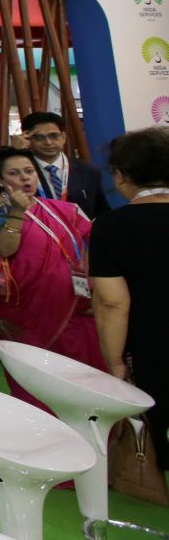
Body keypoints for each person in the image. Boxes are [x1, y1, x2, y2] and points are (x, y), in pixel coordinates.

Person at [0, 145, 106, 411]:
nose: (25, 178)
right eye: (14, 173)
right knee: (34, 375)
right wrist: (18, 212)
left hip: (73, 306)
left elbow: (91, 243)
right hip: (25, 312)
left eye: (29, 171)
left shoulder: (62, 209)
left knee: (82, 372)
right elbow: (4, 248)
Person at [90, 127, 169, 464]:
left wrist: (115, 362)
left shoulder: (111, 226)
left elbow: (112, 302)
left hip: (156, 349)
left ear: (120, 175)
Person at [0, 111, 109, 220]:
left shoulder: (87, 171)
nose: (48, 142)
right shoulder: (19, 171)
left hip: (81, 244)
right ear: (27, 139)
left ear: (63, 137)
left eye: (54, 136)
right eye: (39, 137)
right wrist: (13, 152)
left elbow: (102, 212)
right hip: (34, 242)